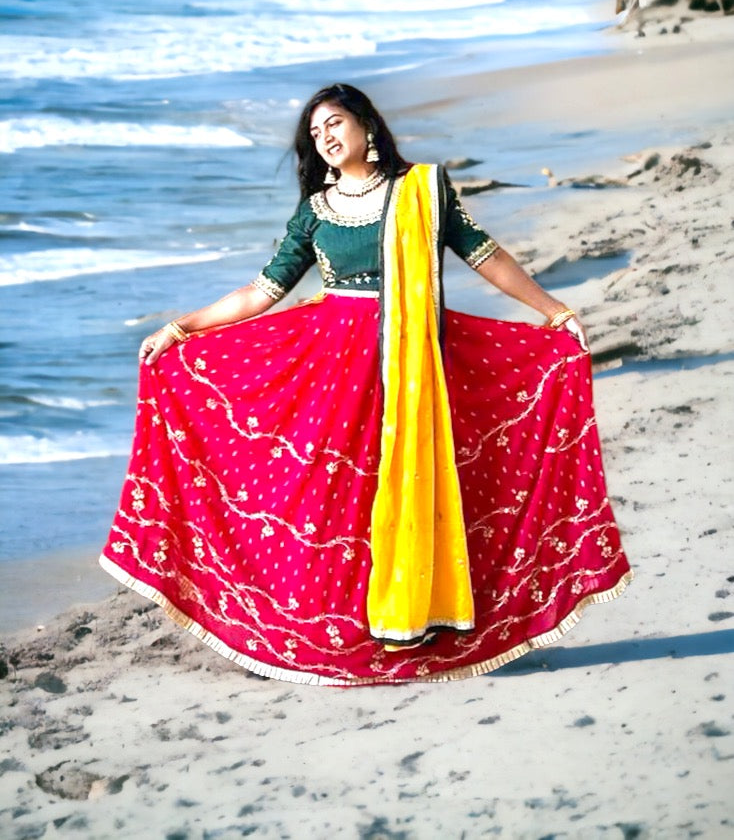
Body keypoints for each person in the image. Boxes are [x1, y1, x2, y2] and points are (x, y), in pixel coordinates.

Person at [101, 83, 632, 686]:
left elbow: (484, 255)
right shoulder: (316, 212)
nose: (325, 138)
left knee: (425, 487)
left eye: (333, 124)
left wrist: (551, 310)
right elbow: (262, 291)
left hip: (414, 373)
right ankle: (344, 630)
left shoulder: (422, 192)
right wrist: (181, 327)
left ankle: (423, 619)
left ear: (366, 125)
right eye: (314, 134)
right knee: (334, 505)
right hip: (333, 377)